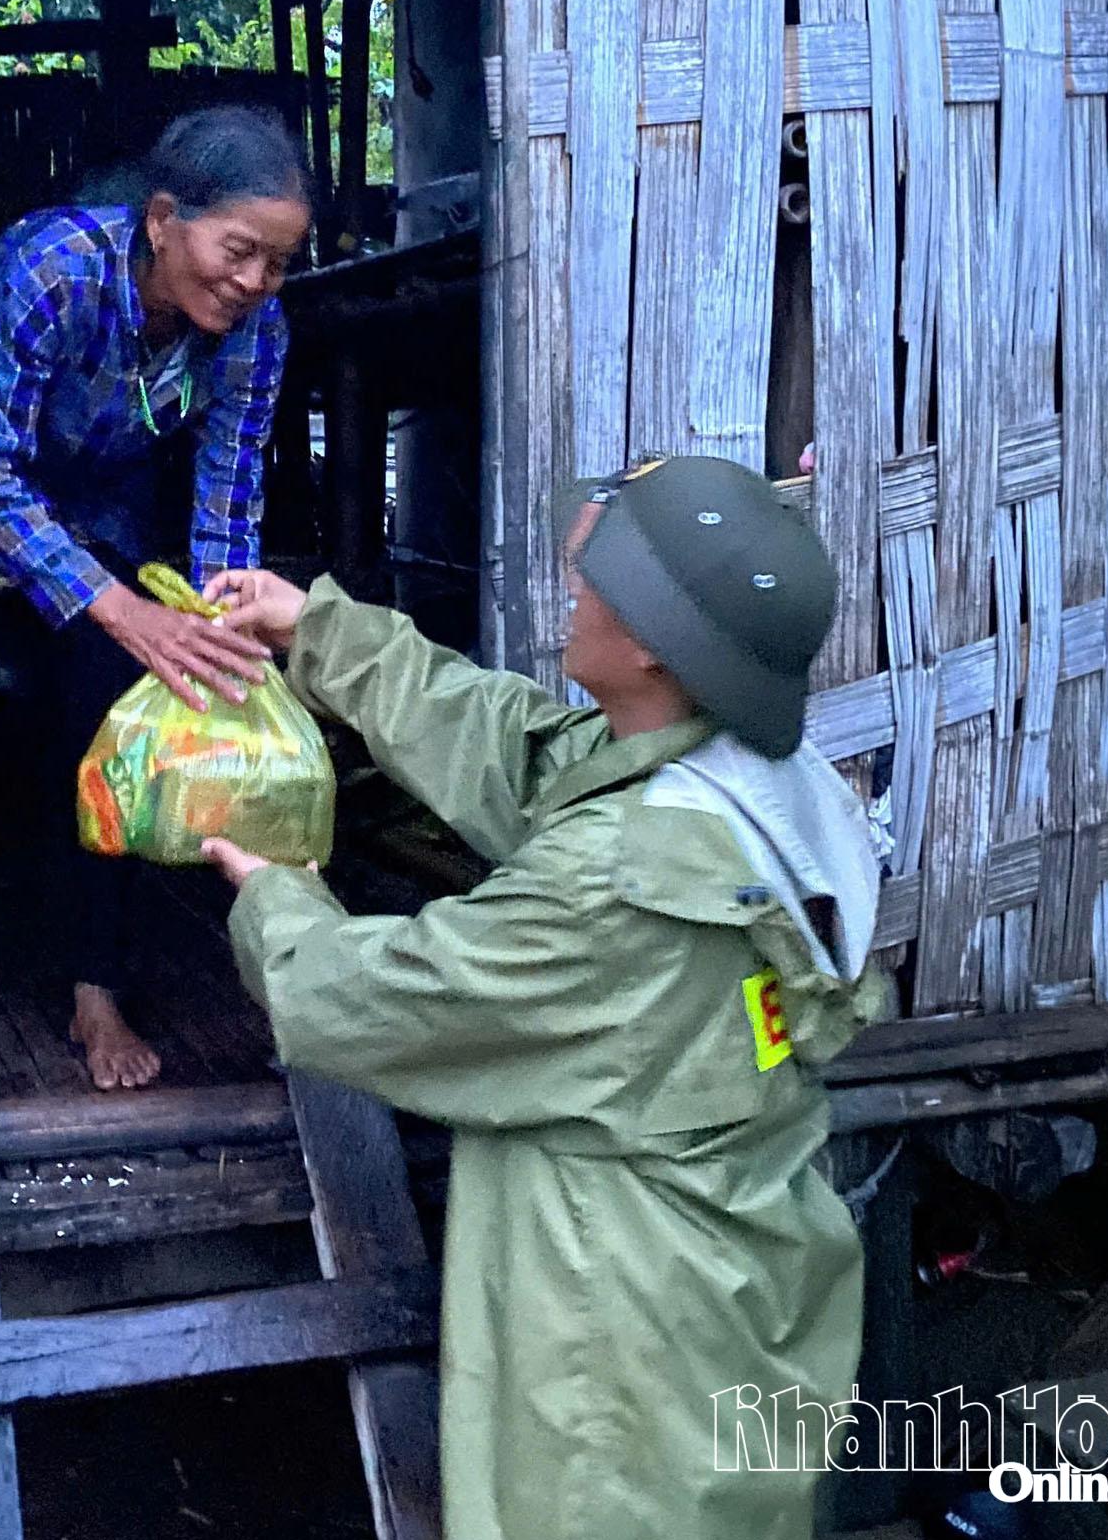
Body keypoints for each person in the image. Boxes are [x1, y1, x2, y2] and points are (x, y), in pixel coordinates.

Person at [202, 455, 892, 1540]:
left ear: (657, 645)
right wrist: (320, 629)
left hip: (618, 1335)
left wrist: (277, 892)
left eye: (597, 581)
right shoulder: (748, 772)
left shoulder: (618, 882)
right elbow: (520, 754)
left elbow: (375, 1001)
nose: (572, 586)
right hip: (743, 1274)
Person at [0, 107, 310, 1089]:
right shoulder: (51, 268)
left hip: (93, 507)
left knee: (110, 749)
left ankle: (94, 993)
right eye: (238, 251)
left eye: (276, 263)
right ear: (160, 220)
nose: (254, 282)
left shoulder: (255, 332)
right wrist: (121, 609)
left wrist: (213, 625)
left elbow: (228, 495)